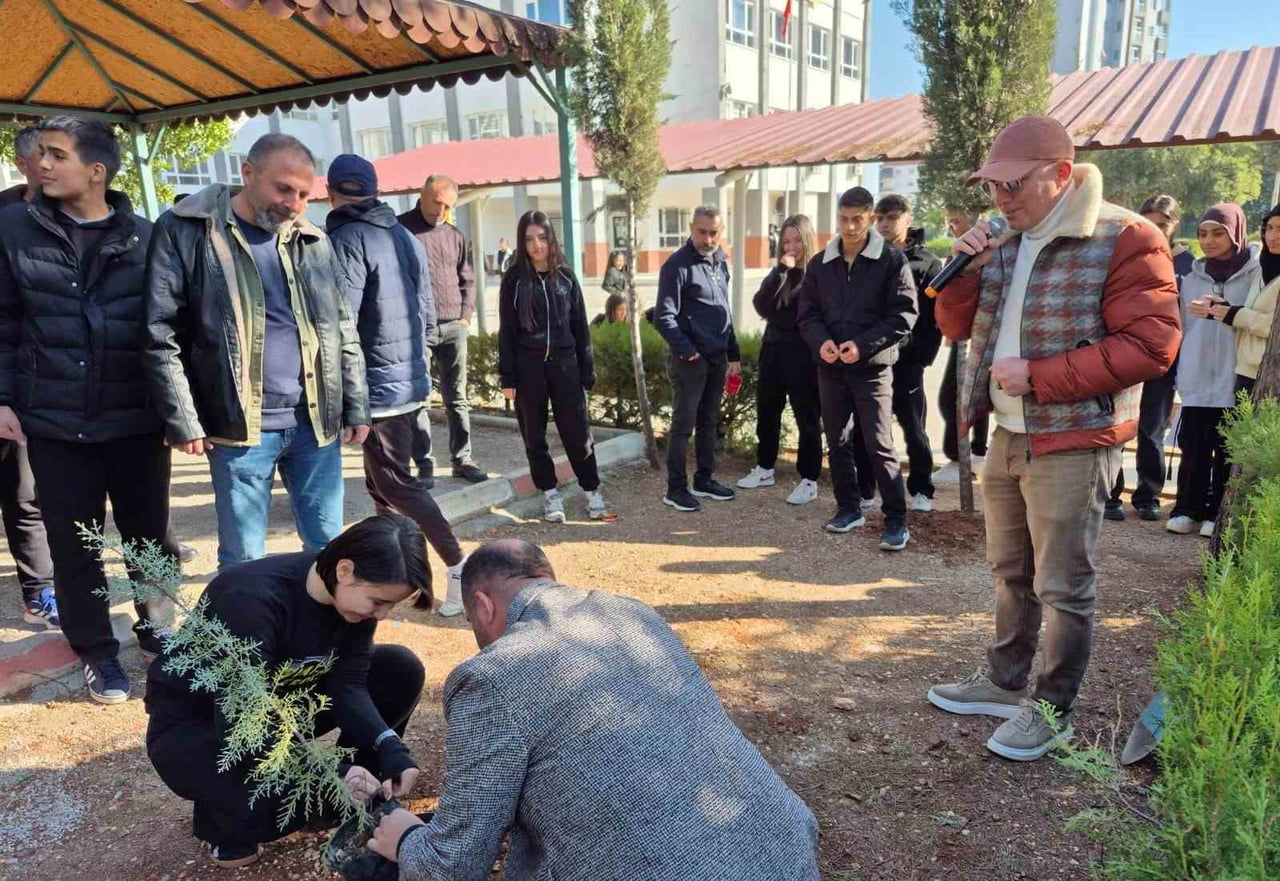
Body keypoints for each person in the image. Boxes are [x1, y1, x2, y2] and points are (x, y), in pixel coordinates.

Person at [928, 115, 1181, 761]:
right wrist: (963, 267)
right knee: (1010, 570)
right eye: (991, 186)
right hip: (1007, 434)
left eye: (1012, 185)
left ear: (1061, 174)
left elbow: (1153, 345)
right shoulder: (1005, 236)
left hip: (1075, 437)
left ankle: (1052, 707)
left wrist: (1038, 377)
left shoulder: (1126, 235)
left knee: (1064, 583)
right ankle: (1005, 679)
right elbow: (954, 326)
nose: (1000, 199)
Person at [363, 539, 821, 881]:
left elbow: (456, 864)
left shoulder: (492, 676)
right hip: (786, 852)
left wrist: (405, 839)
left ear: (482, 606)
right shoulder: (632, 611)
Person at [0, 117, 176, 702]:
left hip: (135, 420)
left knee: (150, 538)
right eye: (41, 154)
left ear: (95, 171)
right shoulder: (13, 231)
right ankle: (98, 652)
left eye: (56, 155)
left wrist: (181, 415)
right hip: (53, 420)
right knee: (74, 546)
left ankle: (160, 633)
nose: (41, 164)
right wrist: (2, 396)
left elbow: (171, 330)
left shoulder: (149, 237)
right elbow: (3, 322)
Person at [144, 514, 427, 869]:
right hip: (201, 729)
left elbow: (349, 684)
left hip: (282, 707)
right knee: (270, 809)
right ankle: (221, 821)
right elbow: (241, 726)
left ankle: (356, 794)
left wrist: (389, 747)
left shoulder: (352, 605)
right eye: (377, 601)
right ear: (344, 570)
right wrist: (332, 771)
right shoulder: (249, 599)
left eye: (390, 605)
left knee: (398, 668)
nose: (381, 615)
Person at [143, 134, 370, 570]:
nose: (293, 203)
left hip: (315, 423)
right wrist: (184, 418)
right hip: (240, 428)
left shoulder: (312, 240)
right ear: (247, 173)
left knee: (328, 553)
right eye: (283, 188)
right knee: (244, 559)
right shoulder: (187, 230)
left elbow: (342, 328)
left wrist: (356, 405)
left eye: (304, 194)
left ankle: (321, 639)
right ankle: (246, 638)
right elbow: (160, 331)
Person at [324, 154, 470, 619]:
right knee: (381, 486)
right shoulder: (403, 234)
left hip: (375, 385)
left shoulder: (346, 237)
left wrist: (349, 394)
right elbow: (428, 309)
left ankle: (458, 565)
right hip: (406, 378)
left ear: (331, 194)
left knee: (396, 485)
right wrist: (417, 364)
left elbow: (339, 322)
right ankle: (398, 573)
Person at [796, 187, 917, 550]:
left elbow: (905, 314)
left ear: (869, 218)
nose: (849, 227)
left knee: (879, 444)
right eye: (843, 219)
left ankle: (896, 520)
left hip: (873, 369)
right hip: (830, 368)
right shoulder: (820, 263)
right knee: (837, 439)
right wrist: (823, 343)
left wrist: (862, 346)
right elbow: (807, 314)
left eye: (857, 219)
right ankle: (848, 508)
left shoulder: (892, 261)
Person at [498, 211, 609, 523]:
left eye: (542, 238)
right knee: (534, 436)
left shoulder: (566, 278)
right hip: (528, 369)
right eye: (530, 239)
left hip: (566, 367)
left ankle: (592, 491)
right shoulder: (514, 280)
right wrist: (508, 376)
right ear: (522, 242)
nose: (537, 246)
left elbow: (580, 329)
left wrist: (587, 370)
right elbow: (507, 331)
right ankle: (550, 494)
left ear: (551, 239)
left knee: (578, 434)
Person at [1167, 204, 1260, 537]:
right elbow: (1180, 325)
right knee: (1192, 446)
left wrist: (1225, 312)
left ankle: (1215, 511)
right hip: (1195, 374)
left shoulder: (1256, 273)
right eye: (1203, 233)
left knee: (1226, 448)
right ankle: (1186, 508)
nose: (1208, 241)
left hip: (1235, 375)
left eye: (1218, 233)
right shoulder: (1191, 276)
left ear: (1235, 232)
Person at [1105, 195, 1196, 522]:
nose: (1154, 230)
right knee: (1118, 426)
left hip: (1162, 359)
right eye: (1147, 222)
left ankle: (1148, 495)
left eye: (1162, 224)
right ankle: (1111, 494)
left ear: (1175, 225)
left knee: (1151, 430)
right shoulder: (1123, 253)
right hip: (1123, 355)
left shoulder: (1188, 264)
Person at [0, 125, 57, 630]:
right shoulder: (3, 219)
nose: (54, 165)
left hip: (42, 386)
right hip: (6, 382)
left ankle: (42, 591)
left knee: (30, 493)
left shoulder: (80, 217)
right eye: (45, 156)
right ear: (23, 163)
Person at [398, 174, 488, 485]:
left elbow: (468, 279)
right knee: (419, 399)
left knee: (457, 398)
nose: (441, 210)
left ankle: (462, 458)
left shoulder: (454, 235)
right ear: (421, 196)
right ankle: (423, 464)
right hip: (417, 328)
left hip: (453, 326)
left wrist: (465, 316)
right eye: (437, 202)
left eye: (448, 205)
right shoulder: (399, 231)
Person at [654, 206, 741, 512]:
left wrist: (734, 353)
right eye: (702, 231)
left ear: (722, 231)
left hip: (717, 358)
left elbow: (724, 311)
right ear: (691, 228)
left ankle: (704, 479)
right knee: (683, 426)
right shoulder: (676, 266)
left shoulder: (720, 262)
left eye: (714, 232)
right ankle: (675, 489)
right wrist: (689, 351)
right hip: (690, 360)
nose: (708, 238)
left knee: (708, 422)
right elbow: (663, 317)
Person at [737, 214, 823, 505]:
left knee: (807, 418)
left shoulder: (819, 274)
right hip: (773, 352)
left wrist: (778, 316)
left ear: (807, 239)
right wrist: (780, 272)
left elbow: (805, 319)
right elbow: (761, 304)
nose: (791, 246)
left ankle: (809, 479)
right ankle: (764, 468)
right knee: (767, 412)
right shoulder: (781, 273)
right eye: (786, 240)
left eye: (797, 240)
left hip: (803, 357)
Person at [870, 194, 944, 512]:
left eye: (892, 217)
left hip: (909, 361)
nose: (885, 224)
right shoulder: (869, 257)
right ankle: (872, 487)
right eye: (880, 218)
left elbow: (935, 317)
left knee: (914, 426)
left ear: (908, 219)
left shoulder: (928, 263)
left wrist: (921, 356)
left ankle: (921, 489)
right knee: (874, 427)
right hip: (873, 358)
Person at [938, 207, 990, 466]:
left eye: (956, 221)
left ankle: (970, 449)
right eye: (950, 222)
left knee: (956, 397)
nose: (951, 228)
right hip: (963, 337)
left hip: (981, 338)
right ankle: (971, 449)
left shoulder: (993, 247)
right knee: (958, 396)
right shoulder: (961, 255)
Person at [1219, 204, 1280, 398]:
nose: (1273, 236)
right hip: (1246, 371)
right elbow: (1249, 315)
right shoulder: (1261, 269)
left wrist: (1237, 315)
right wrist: (1223, 311)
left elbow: (1274, 325)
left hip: (1273, 376)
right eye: (1269, 228)